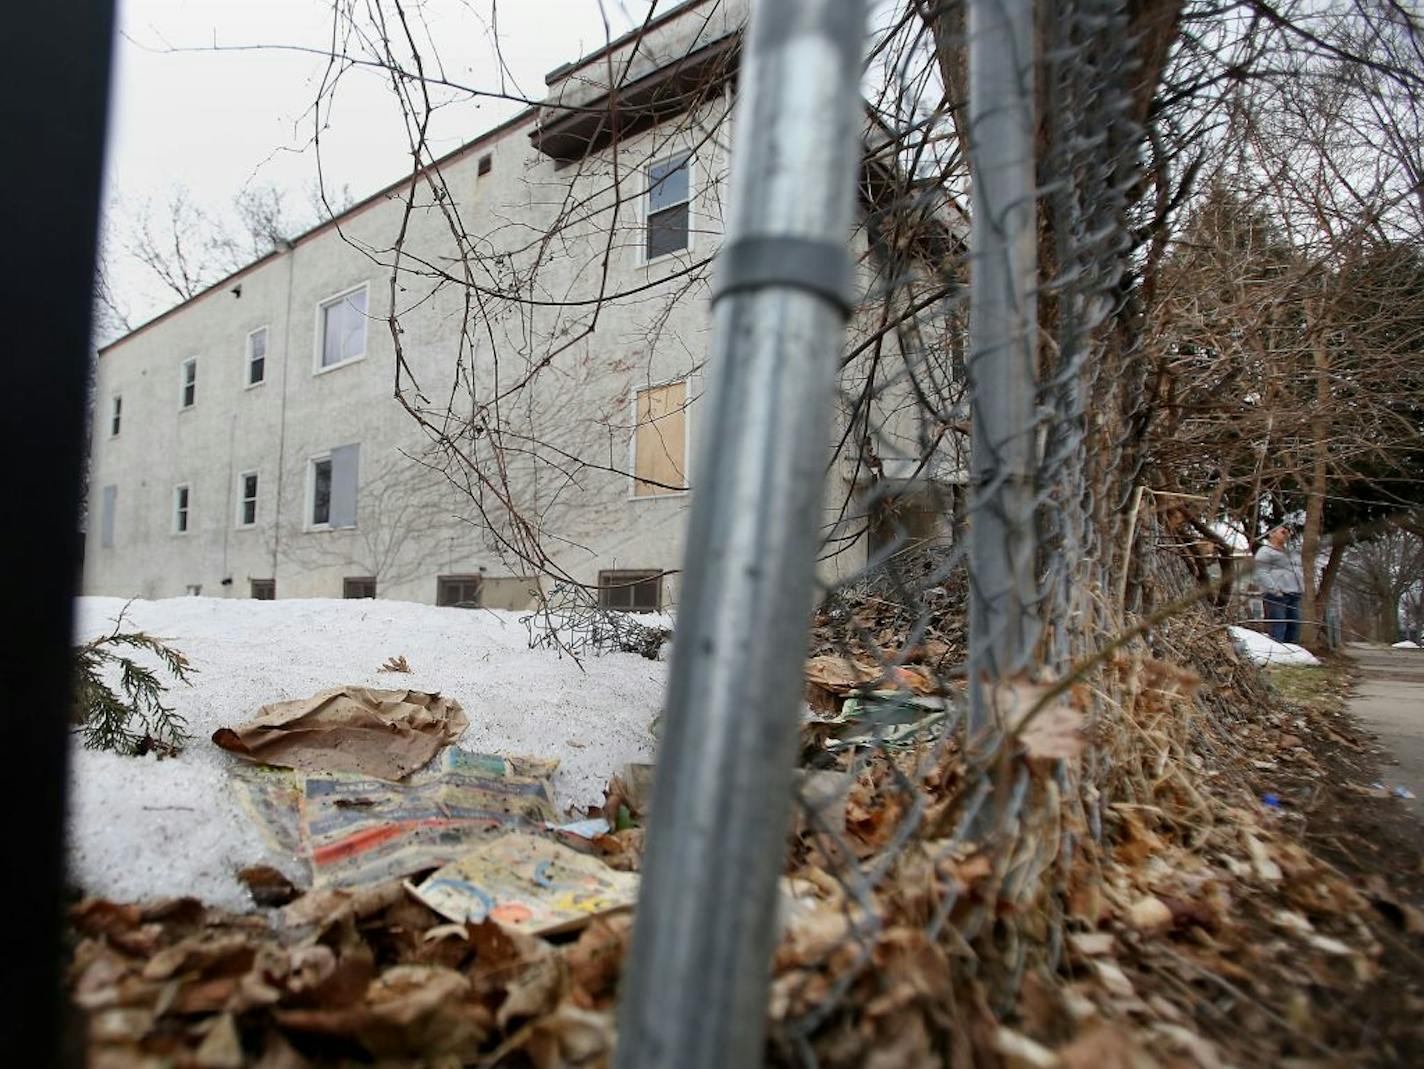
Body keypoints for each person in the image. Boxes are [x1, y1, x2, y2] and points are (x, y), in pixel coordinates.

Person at [1254, 524, 1304, 645]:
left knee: (1295, 625)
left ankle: (1292, 653)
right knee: (1279, 625)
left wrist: (1302, 588)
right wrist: (1274, 590)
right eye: (1283, 532)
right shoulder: (1265, 551)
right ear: (1271, 534)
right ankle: (1278, 652)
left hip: (1294, 594)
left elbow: (1298, 570)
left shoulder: (1290, 553)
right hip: (1277, 596)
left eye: (1288, 532)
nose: (1286, 534)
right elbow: (1261, 572)